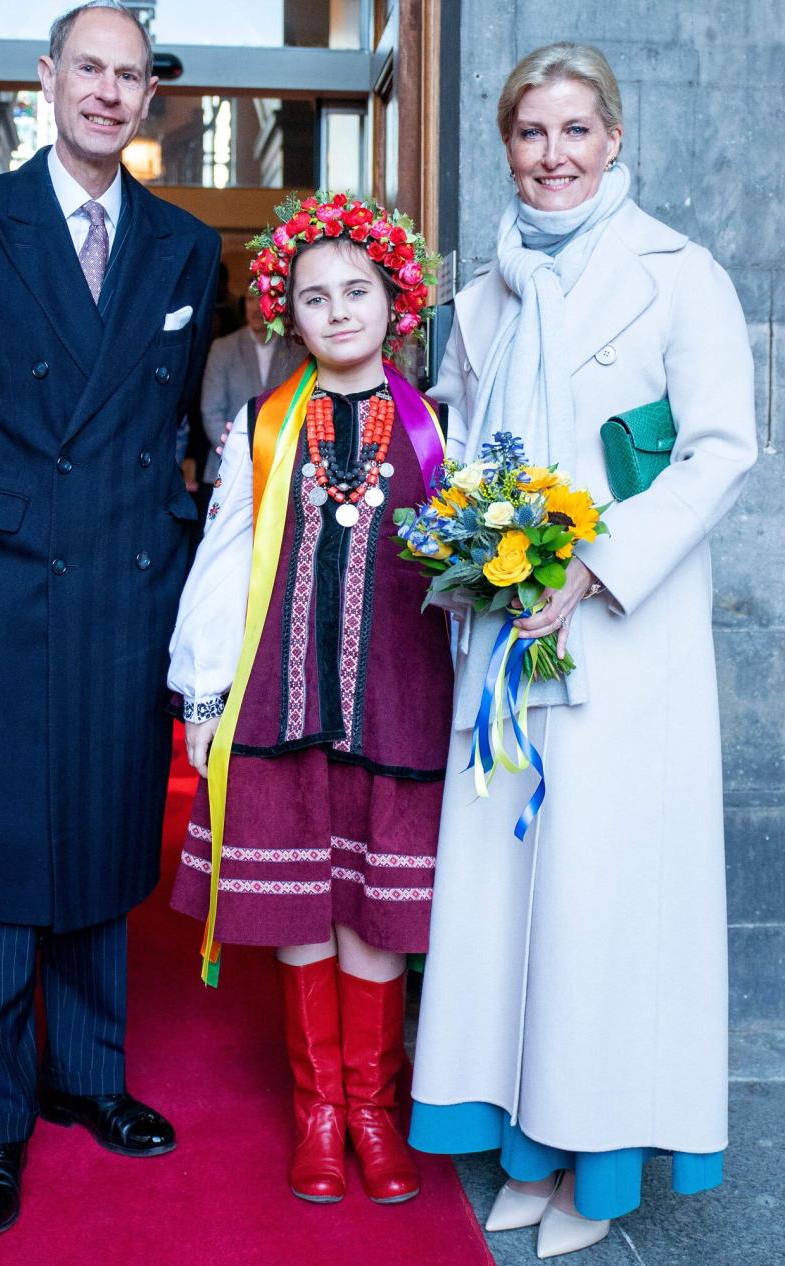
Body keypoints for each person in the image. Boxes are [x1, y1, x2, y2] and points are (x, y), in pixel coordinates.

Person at [0, 0, 219, 1238]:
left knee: (98, 842)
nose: (110, 92)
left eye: (131, 76)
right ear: (47, 78)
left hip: (121, 588)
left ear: (146, 97)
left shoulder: (184, 248)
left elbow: (172, 427)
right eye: (90, 68)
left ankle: (88, 1079)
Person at [408, 42, 757, 1258]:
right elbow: (460, 447)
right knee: (512, 905)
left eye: (573, 132)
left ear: (614, 140)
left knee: (603, 909)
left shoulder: (681, 274)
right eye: (528, 134)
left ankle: (596, 1167)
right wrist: (470, 548)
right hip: (505, 639)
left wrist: (596, 567)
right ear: (505, 145)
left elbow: (722, 447)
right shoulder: (483, 293)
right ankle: (525, 1139)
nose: (550, 156)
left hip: (624, 643)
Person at [167, 192, 465, 1206]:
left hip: (401, 700)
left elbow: (471, 574)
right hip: (280, 701)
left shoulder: (438, 431)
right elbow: (224, 558)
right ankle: (319, 1114)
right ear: (282, 314)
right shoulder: (261, 426)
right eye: (313, 297)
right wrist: (202, 696)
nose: (337, 312)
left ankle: (377, 1111)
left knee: (374, 914)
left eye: (357, 291)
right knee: (300, 903)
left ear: (397, 298)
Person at [198, 295, 302, 499]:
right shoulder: (223, 348)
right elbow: (211, 411)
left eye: (264, 300)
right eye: (250, 300)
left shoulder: (296, 350)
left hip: (282, 470)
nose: (256, 308)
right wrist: (239, 457)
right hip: (227, 466)